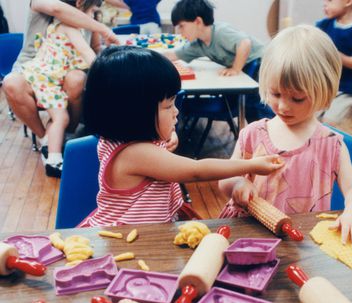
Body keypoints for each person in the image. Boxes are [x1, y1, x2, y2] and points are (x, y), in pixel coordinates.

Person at [79, 46, 283, 227]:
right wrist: (252, 165)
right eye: (168, 106)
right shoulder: (136, 153)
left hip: (153, 228)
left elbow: (155, 153)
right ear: (135, 113)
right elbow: (196, 171)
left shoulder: (120, 136)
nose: (176, 111)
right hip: (129, 240)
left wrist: (168, 137)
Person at [218, 25, 352, 247]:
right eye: (275, 93)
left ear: (324, 92)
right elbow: (224, 181)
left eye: (297, 98)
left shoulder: (331, 145)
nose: (283, 106)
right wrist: (238, 184)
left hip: (302, 241)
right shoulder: (252, 134)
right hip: (248, 237)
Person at [2, 0, 118, 162]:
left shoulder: (89, 17)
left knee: (76, 79)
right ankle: (46, 138)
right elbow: (56, 8)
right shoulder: (43, 4)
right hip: (36, 67)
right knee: (11, 82)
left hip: (68, 68)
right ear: (80, 3)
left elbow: (94, 50)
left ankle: (67, 132)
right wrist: (103, 29)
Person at [21, 0, 101, 177]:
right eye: (91, 12)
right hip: (45, 79)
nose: (92, 18)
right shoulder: (69, 26)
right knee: (61, 118)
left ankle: (51, 149)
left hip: (46, 77)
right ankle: (54, 160)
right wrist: (106, 71)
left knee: (60, 118)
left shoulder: (64, 26)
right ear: (79, 6)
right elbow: (88, 55)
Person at [163, 0, 271, 121]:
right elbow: (174, 55)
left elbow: (244, 43)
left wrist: (235, 68)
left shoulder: (220, 32)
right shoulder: (198, 44)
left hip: (260, 62)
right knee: (250, 105)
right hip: (248, 66)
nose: (180, 32)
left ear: (198, 21)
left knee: (257, 105)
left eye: (182, 26)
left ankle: (271, 133)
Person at [316, 0, 352, 123]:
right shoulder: (324, 25)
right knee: (309, 118)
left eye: (330, 0)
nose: (325, 4)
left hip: (346, 89)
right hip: (323, 86)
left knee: (329, 121)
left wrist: (332, 52)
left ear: (348, 1)